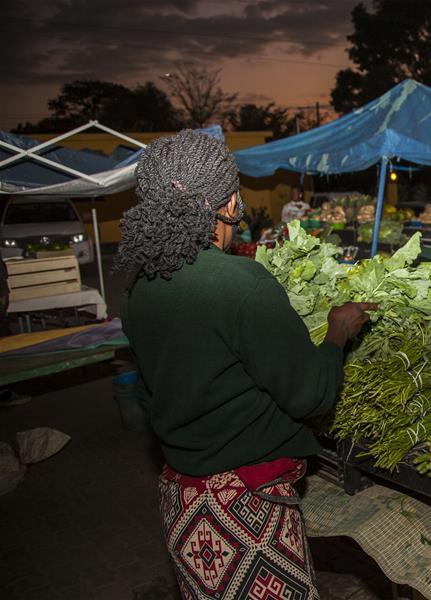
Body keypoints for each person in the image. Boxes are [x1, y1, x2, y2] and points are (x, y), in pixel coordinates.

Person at [116, 130, 374, 599]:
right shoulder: (240, 283)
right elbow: (310, 396)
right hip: (246, 514)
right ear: (230, 204)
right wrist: (338, 332)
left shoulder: (138, 287)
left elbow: (151, 391)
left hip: (184, 505)